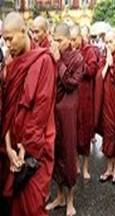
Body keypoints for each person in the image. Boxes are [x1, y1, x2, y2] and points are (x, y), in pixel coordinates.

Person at [0, 12, 56, 216]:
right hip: (12, 148)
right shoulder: (10, 65)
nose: (7, 45)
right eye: (4, 40)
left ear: (24, 32)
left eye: (10, 38)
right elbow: (5, 109)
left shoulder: (44, 61)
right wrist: (8, 147)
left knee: (33, 207)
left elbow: (40, 111)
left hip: (36, 147)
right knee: (13, 206)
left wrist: (26, 149)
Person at [45, 23, 85, 216]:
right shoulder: (51, 56)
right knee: (55, 153)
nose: (56, 43)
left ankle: (70, 200)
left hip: (68, 111)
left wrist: (59, 62)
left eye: (59, 40)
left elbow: (71, 83)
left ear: (68, 40)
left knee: (68, 155)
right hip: (53, 110)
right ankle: (59, 196)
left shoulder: (78, 58)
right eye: (55, 39)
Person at [97, 30, 115, 185]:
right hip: (106, 103)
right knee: (108, 136)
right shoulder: (105, 57)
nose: (108, 45)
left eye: (111, 42)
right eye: (106, 42)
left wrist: (113, 65)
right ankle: (108, 169)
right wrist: (107, 65)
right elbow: (99, 78)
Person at [70, 25, 99, 181]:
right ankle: (75, 165)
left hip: (86, 98)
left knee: (86, 134)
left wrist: (79, 60)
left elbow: (92, 71)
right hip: (73, 97)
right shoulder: (70, 51)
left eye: (75, 39)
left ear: (81, 38)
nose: (73, 43)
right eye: (71, 39)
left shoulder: (89, 51)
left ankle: (86, 167)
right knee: (74, 134)